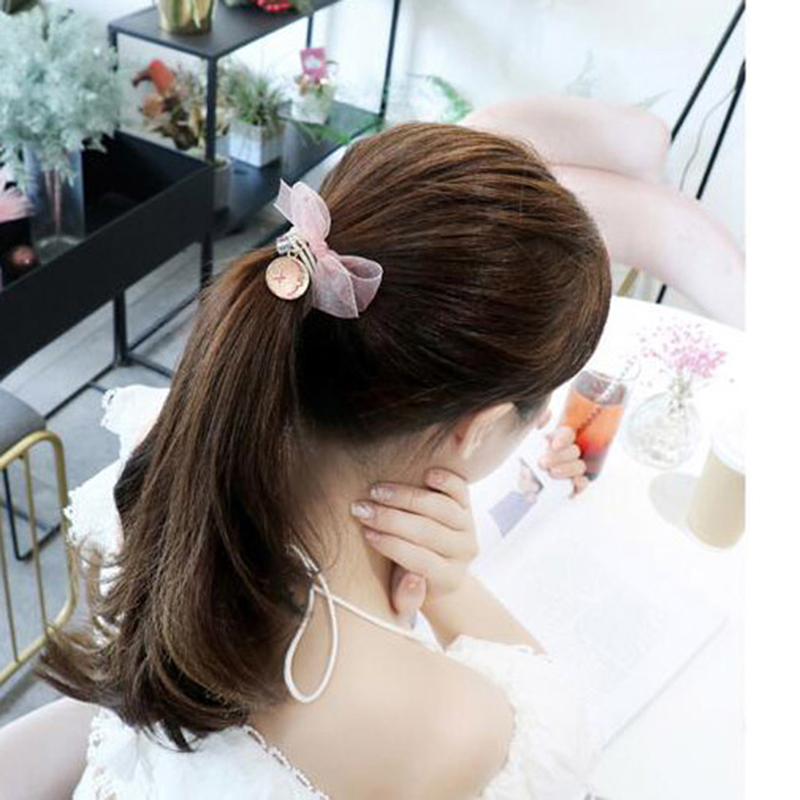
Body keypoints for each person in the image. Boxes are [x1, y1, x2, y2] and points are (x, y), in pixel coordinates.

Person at [2, 121, 611, 799]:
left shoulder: (175, 449)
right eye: (543, 401)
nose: (544, 419)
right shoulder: (456, 728)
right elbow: (554, 737)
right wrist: (451, 590)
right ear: (480, 427)